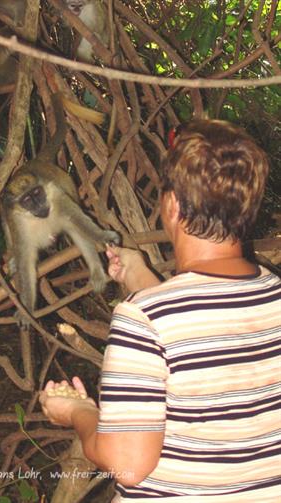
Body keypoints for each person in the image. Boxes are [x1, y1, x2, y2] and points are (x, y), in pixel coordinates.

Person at [39, 120, 281, 501]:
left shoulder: (144, 318)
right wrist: (140, 276)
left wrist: (78, 414)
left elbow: (129, 466)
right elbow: (201, 341)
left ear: (172, 205)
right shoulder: (272, 291)